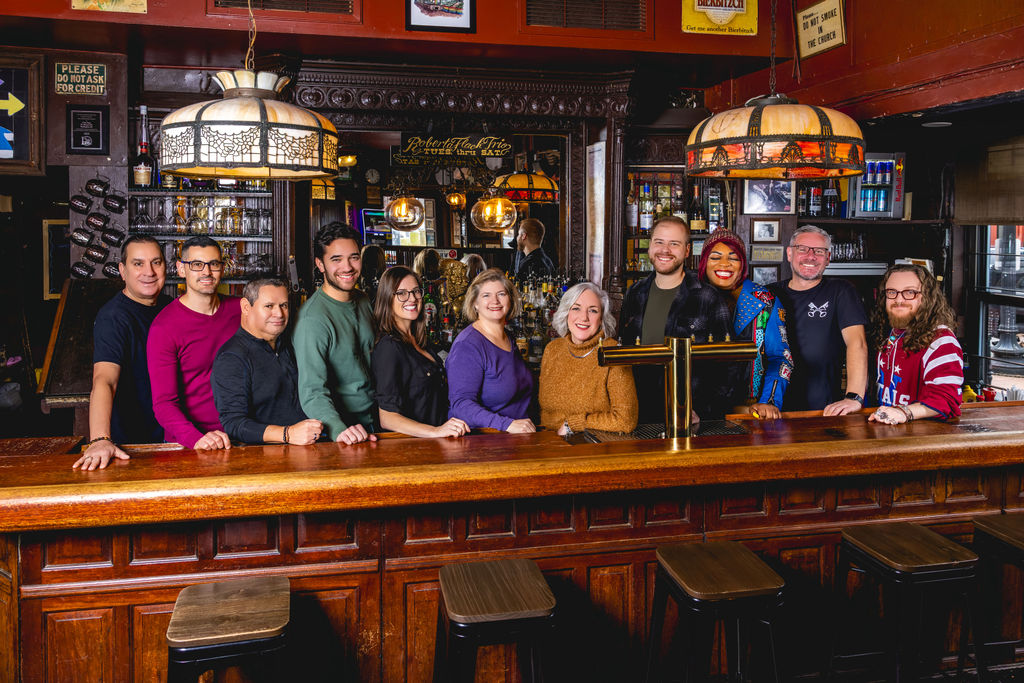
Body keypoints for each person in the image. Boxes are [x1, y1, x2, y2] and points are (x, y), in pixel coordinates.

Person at [618, 216, 731, 422]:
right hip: (637, 414)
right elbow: (623, 355)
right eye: (659, 242)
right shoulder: (634, 293)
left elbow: (727, 364)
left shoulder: (708, 297)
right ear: (650, 246)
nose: (665, 250)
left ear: (687, 251)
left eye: (674, 244)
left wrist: (703, 411)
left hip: (689, 417)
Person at [74, 236, 170, 470]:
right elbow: (104, 380)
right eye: (138, 264)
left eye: (156, 262)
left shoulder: (171, 308)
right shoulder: (114, 317)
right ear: (122, 271)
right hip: (132, 445)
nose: (149, 272)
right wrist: (99, 439)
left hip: (172, 438)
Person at [147, 236, 241, 450]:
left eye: (213, 264)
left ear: (222, 268)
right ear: (181, 269)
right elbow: (164, 404)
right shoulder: (164, 327)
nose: (206, 272)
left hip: (240, 435)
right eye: (197, 264)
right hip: (190, 442)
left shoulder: (241, 310)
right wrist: (196, 438)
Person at [770, 226, 869, 415]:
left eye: (819, 251)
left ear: (828, 258)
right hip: (773, 407)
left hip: (824, 410)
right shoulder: (769, 294)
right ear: (789, 253)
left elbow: (857, 343)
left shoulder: (841, 291)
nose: (811, 256)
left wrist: (854, 397)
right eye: (802, 249)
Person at [293, 222, 377, 445]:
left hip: (378, 419)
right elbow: (312, 390)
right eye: (336, 259)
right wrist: (339, 430)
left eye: (354, 257)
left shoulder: (363, 300)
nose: (347, 267)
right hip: (344, 431)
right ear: (320, 264)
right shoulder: (312, 320)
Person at [211, 278, 322, 445]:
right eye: (269, 306)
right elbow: (234, 423)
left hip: (311, 446)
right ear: (246, 307)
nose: (279, 314)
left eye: (284, 305)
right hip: (264, 453)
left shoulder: (291, 344)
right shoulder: (232, 357)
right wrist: (288, 434)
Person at [699, 229, 793, 419]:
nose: (724, 263)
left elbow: (781, 358)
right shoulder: (687, 296)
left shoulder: (765, 301)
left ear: (742, 264)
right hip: (696, 409)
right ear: (703, 263)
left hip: (749, 409)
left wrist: (769, 401)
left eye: (733, 258)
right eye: (715, 257)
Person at [371, 266, 469, 438]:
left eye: (416, 291)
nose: (412, 298)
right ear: (387, 298)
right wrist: (435, 432)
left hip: (439, 440)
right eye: (402, 293)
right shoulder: (389, 347)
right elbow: (387, 418)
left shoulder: (419, 341)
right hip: (414, 445)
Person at [868, 264, 963, 425]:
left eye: (909, 292)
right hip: (886, 428)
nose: (899, 300)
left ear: (927, 297)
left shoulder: (941, 340)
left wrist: (904, 412)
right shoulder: (889, 332)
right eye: (892, 292)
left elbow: (946, 399)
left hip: (922, 433)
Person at [539, 282, 637, 435]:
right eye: (576, 308)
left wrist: (572, 425)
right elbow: (545, 412)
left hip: (591, 444)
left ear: (601, 318)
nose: (584, 317)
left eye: (593, 310)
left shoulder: (613, 353)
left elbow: (626, 420)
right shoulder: (552, 350)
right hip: (547, 441)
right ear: (566, 312)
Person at [447, 268, 535, 432]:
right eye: (486, 295)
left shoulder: (508, 337)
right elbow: (461, 405)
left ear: (510, 300)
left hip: (519, 435)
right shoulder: (467, 345)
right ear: (475, 303)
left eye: (501, 294)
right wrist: (507, 424)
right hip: (486, 438)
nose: (495, 301)